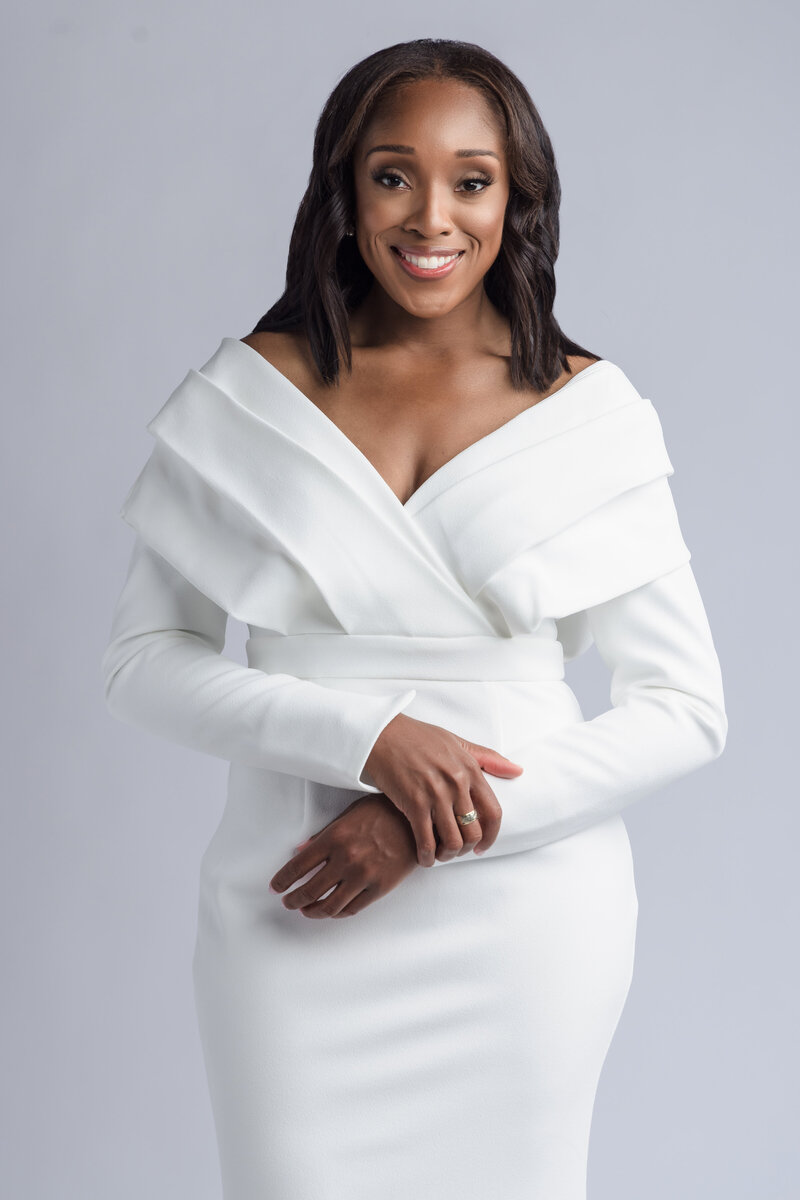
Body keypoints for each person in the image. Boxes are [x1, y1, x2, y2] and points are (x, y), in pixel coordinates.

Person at [101, 37, 728, 1200]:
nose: (430, 216)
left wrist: (426, 823)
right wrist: (368, 740)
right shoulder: (246, 396)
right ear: (342, 188)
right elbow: (144, 662)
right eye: (393, 174)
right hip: (296, 905)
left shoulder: (588, 413)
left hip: (527, 924)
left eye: (471, 180)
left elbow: (685, 711)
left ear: (515, 197)